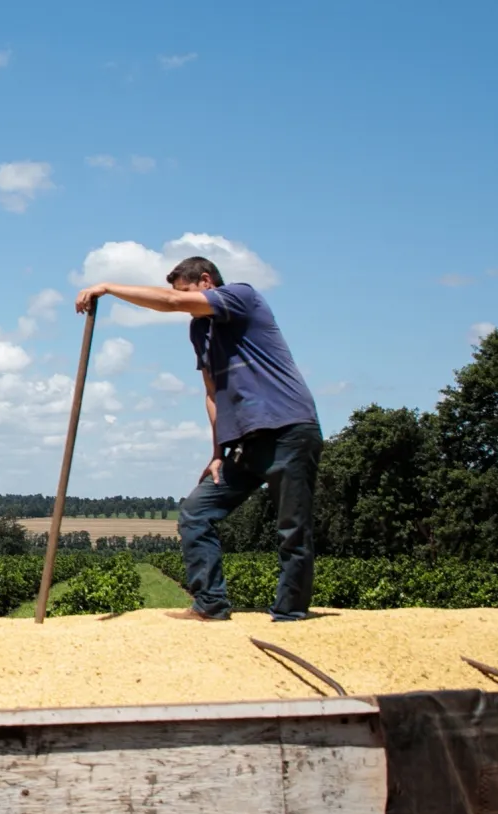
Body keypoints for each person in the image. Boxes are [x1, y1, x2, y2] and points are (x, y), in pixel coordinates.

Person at [75, 255, 322, 622]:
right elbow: (212, 392)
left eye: (187, 292)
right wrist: (218, 452)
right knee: (195, 512)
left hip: (288, 429)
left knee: (291, 527)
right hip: (244, 442)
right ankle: (210, 604)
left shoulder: (241, 296)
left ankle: (289, 613)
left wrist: (107, 287)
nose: (185, 304)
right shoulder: (199, 330)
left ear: (206, 281)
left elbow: (172, 303)